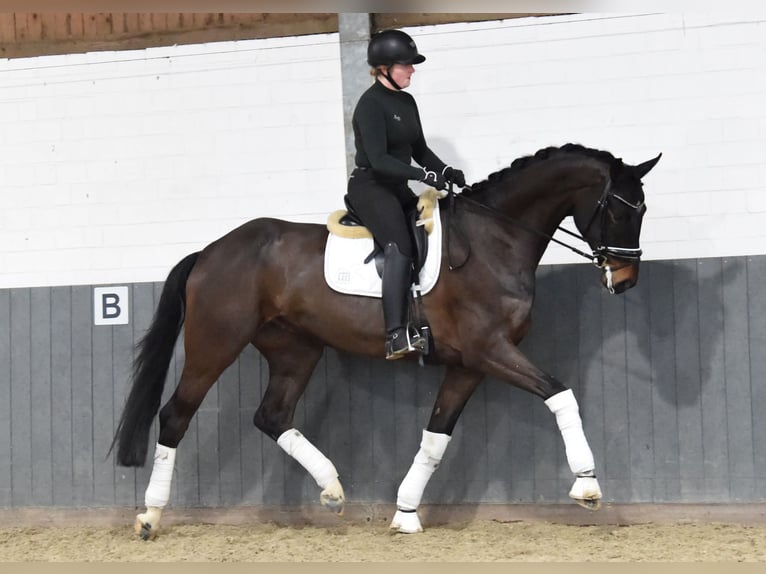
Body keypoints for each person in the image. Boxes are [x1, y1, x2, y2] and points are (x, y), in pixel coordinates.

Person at [345, 29, 466, 360]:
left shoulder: (406, 102)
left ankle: (425, 318)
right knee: (399, 246)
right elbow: (381, 160)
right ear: (384, 68)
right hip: (371, 187)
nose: (412, 70)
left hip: (397, 187)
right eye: (406, 65)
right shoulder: (370, 106)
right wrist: (419, 175)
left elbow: (420, 150)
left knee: (431, 232)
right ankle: (395, 334)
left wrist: (444, 171)